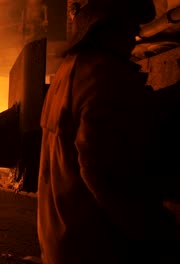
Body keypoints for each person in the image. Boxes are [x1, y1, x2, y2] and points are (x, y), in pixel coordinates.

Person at [37, 0, 178, 263]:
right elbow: (106, 178)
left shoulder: (66, 71)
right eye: (127, 26)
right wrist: (161, 233)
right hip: (96, 248)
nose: (133, 37)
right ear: (102, 28)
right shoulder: (106, 80)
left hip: (61, 242)